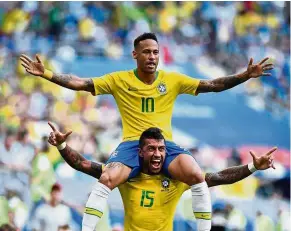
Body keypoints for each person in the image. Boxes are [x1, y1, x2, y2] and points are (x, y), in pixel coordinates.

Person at [20, 32, 274, 231]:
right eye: (146, 52)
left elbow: (213, 84)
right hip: (133, 145)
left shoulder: (173, 80)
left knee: (197, 175)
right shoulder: (119, 80)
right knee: (107, 178)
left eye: (156, 52)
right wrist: (48, 74)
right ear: (135, 54)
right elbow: (81, 83)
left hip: (165, 145)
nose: (152, 57)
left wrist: (245, 75)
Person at [47, 122, 277, 231]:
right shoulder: (124, 174)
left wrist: (253, 167)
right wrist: (62, 145)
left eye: (160, 149)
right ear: (140, 152)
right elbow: (82, 164)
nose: (157, 154)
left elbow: (219, 177)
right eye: (151, 149)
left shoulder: (178, 178)